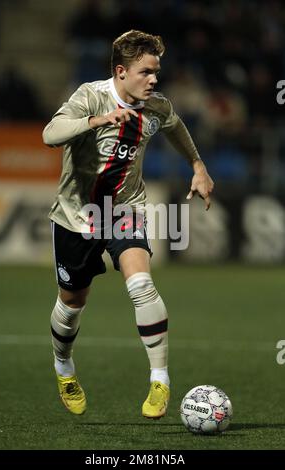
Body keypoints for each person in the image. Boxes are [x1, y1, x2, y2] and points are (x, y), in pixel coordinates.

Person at [42, 30, 214, 419]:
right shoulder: (91, 95)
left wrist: (198, 166)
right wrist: (97, 120)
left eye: (156, 71)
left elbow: (175, 126)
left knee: (141, 283)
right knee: (72, 304)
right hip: (76, 215)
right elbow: (49, 135)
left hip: (124, 210)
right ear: (121, 72)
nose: (154, 79)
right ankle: (64, 367)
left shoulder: (155, 105)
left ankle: (160, 380)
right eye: (146, 72)